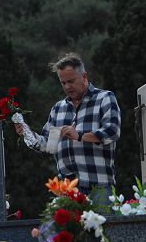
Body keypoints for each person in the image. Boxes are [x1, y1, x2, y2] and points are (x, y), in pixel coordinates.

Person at [17, 53, 121, 199]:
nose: (67, 86)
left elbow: (112, 131)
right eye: (63, 83)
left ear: (84, 76)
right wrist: (27, 133)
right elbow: (49, 145)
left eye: (71, 81)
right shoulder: (58, 109)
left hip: (99, 186)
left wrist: (79, 135)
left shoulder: (104, 98)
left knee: (104, 223)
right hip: (67, 190)